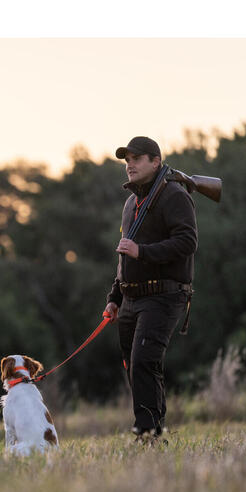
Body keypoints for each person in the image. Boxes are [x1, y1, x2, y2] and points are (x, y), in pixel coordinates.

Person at [103, 136, 197, 445]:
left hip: (164, 295)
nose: (129, 164)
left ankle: (148, 434)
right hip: (131, 298)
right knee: (136, 367)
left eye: (136, 158)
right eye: (126, 159)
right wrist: (115, 298)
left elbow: (187, 242)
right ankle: (153, 432)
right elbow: (124, 256)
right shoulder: (131, 202)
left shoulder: (174, 196)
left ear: (155, 161)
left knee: (145, 361)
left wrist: (143, 252)